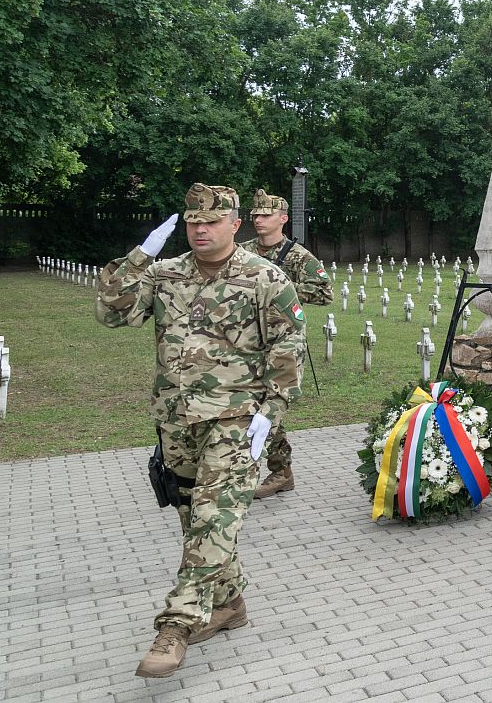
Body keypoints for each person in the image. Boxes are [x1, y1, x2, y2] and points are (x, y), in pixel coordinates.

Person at [95, 184, 305, 678]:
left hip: (236, 421)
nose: (200, 230)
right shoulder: (164, 275)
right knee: (195, 517)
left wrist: (269, 416)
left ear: (234, 224)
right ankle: (229, 603)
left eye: (211, 221)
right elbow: (111, 313)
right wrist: (139, 256)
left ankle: (176, 625)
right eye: (192, 222)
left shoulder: (265, 278)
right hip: (176, 419)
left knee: (214, 516)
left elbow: (288, 349)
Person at [240, 188, 333, 498]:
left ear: (283, 219)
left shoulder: (297, 256)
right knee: (247, 402)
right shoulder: (243, 251)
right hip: (247, 340)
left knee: (272, 405)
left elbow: (323, 292)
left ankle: (280, 471)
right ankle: (266, 468)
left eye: (265, 215)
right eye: (255, 214)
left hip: (283, 342)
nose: (258, 219)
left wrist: (280, 289)